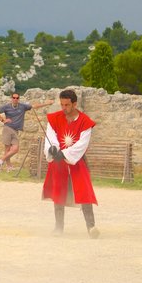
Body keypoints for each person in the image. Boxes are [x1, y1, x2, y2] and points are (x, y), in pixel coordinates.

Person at [43, 89, 100, 238]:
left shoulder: (85, 122)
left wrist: (65, 153)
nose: (63, 108)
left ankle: (91, 227)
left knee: (84, 193)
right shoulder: (54, 119)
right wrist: (53, 149)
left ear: (74, 104)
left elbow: (82, 144)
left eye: (67, 105)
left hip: (77, 162)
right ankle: (58, 228)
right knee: (58, 193)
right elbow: (51, 136)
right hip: (58, 163)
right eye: (61, 104)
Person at [0, 92, 52, 171]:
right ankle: (9, 166)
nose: (15, 99)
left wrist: (46, 103)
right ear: (11, 98)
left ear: (18, 99)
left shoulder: (23, 106)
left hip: (16, 130)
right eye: (14, 97)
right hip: (7, 128)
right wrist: (3, 120)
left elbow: (35, 106)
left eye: (17, 98)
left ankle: (0, 161)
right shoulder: (6, 106)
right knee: (7, 149)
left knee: (15, 149)